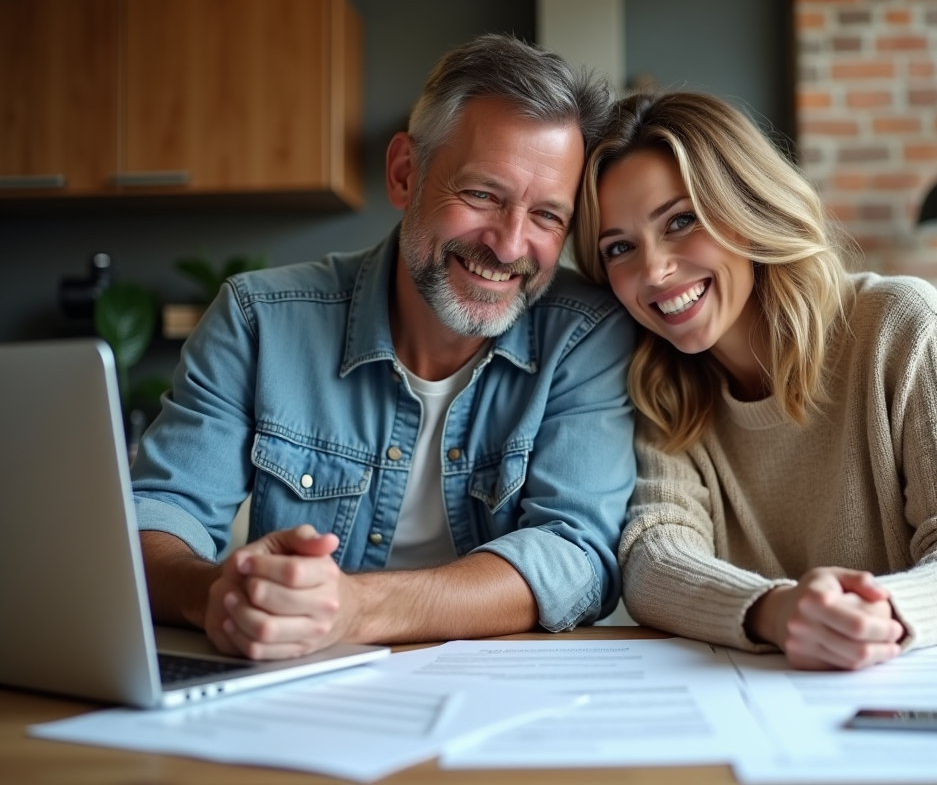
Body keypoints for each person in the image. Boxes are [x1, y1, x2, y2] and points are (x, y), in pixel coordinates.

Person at [133, 35, 635, 660]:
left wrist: (356, 608)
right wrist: (216, 593)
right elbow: (157, 515)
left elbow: (575, 553)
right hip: (304, 693)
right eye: (482, 194)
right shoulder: (258, 320)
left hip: (502, 697)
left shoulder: (586, 335)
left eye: (546, 217)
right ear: (405, 174)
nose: (509, 247)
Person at [574, 91, 937, 671]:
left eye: (681, 220)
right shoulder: (659, 386)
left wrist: (873, 616)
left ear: (746, 208)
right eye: (619, 248)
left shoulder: (900, 323)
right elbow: (652, 558)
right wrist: (777, 610)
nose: (654, 271)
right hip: (782, 692)